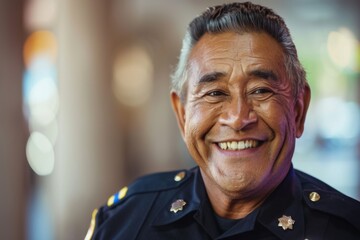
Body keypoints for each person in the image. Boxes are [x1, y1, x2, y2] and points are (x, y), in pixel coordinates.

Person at [85, 2, 360, 239]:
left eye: (261, 90)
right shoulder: (125, 221)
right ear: (182, 115)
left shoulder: (346, 230)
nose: (238, 118)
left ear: (298, 110)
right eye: (215, 93)